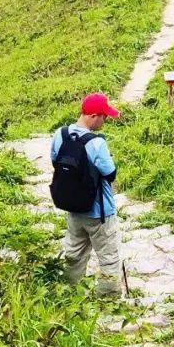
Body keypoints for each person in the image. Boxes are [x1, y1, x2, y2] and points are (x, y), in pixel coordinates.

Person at [50, 94, 123, 297]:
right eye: (104, 117)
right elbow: (110, 173)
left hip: (72, 208)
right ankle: (109, 300)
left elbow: (55, 161)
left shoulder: (60, 134)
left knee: (74, 254)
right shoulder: (96, 143)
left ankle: (69, 295)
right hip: (99, 212)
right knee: (108, 256)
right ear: (93, 116)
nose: (104, 121)